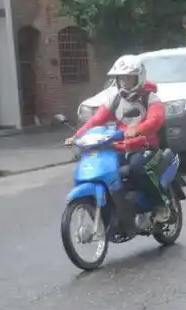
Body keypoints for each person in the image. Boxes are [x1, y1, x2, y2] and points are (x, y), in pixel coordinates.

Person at [66, 55, 169, 235]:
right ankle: (119, 210)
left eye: (129, 78)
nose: (125, 83)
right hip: (120, 147)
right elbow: (95, 121)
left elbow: (156, 120)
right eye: (122, 79)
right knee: (105, 170)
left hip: (144, 146)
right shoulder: (114, 99)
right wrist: (76, 136)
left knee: (138, 168)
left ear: (139, 78)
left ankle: (160, 205)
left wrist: (138, 129)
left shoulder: (150, 98)